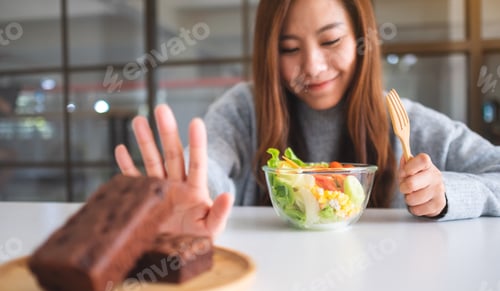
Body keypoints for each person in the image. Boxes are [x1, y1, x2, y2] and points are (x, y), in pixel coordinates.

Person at [115, 0, 500, 238]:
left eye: (331, 41)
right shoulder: (245, 109)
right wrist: (186, 189)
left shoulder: (404, 120)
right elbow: (212, 163)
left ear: (362, 42)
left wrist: (446, 194)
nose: (312, 67)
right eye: (289, 48)